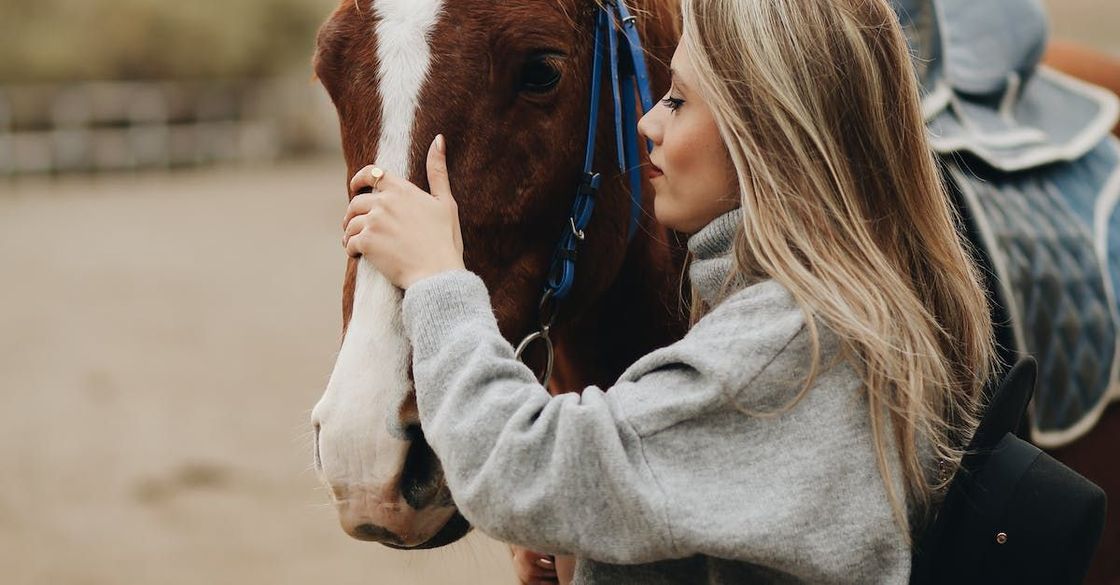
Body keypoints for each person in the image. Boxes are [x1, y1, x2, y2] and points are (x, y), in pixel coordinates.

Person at [339, 0, 998, 582]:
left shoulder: (785, 350)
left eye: (678, 100)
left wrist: (437, 279)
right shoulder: (800, 312)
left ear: (765, 135)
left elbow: (523, 469)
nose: (647, 124)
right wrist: (587, 555)